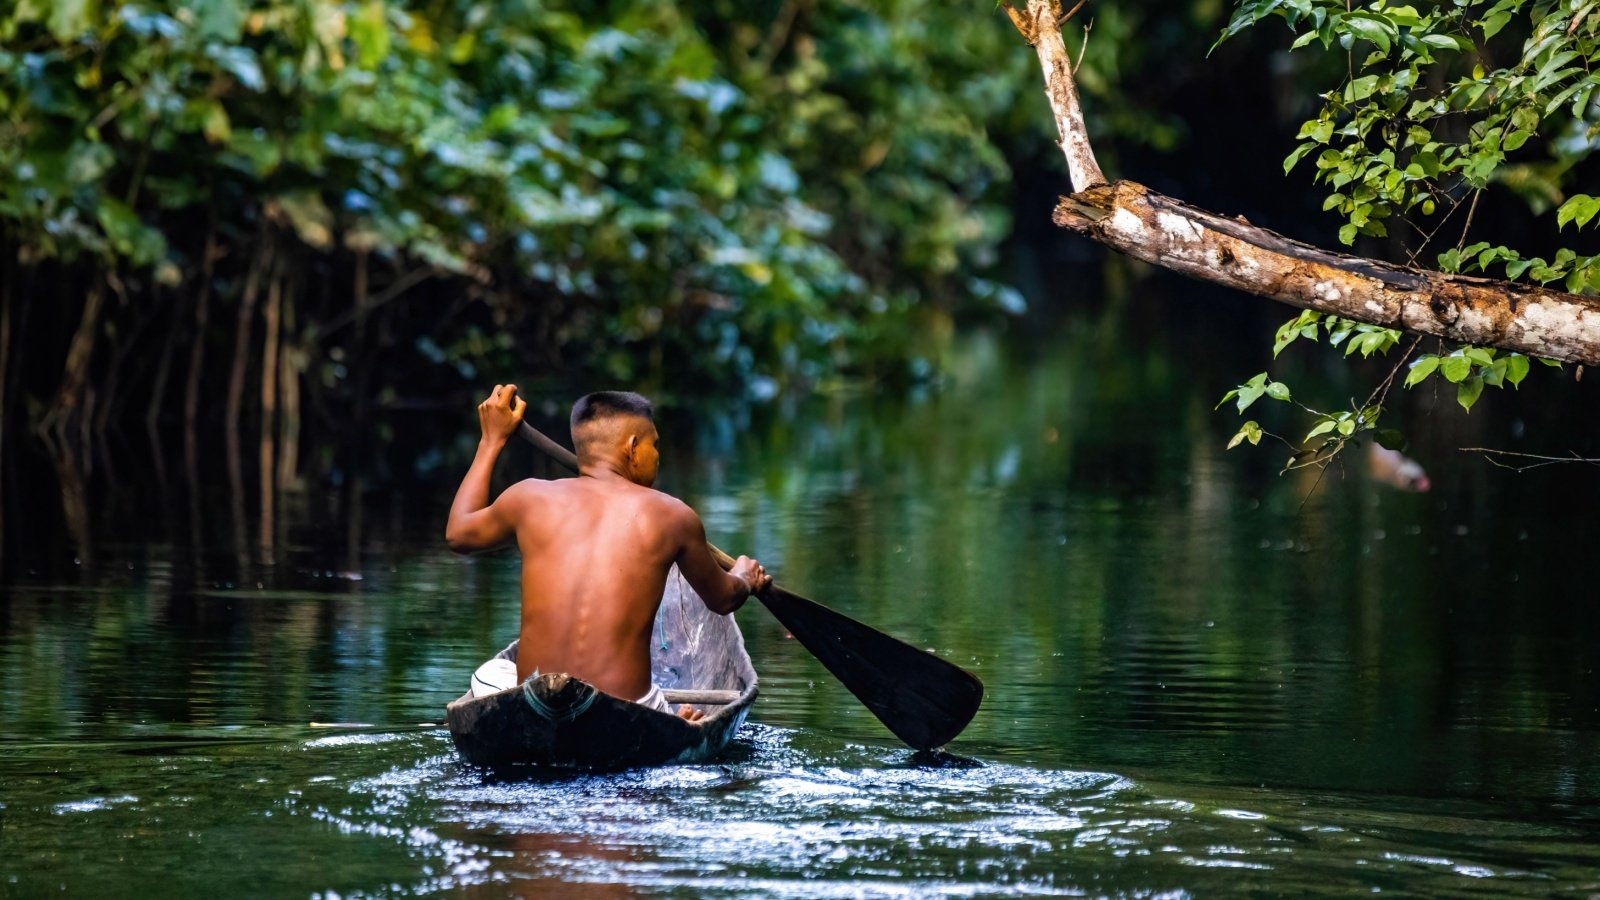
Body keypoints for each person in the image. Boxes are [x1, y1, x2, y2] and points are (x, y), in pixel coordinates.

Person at [444, 385, 772, 721]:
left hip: (535, 703)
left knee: (494, 673)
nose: (658, 456)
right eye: (654, 445)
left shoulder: (528, 497)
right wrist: (744, 578)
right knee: (657, 708)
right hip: (627, 712)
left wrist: (491, 441)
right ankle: (670, 720)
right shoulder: (674, 516)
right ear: (632, 448)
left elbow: (458, 534)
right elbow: (722, 599)